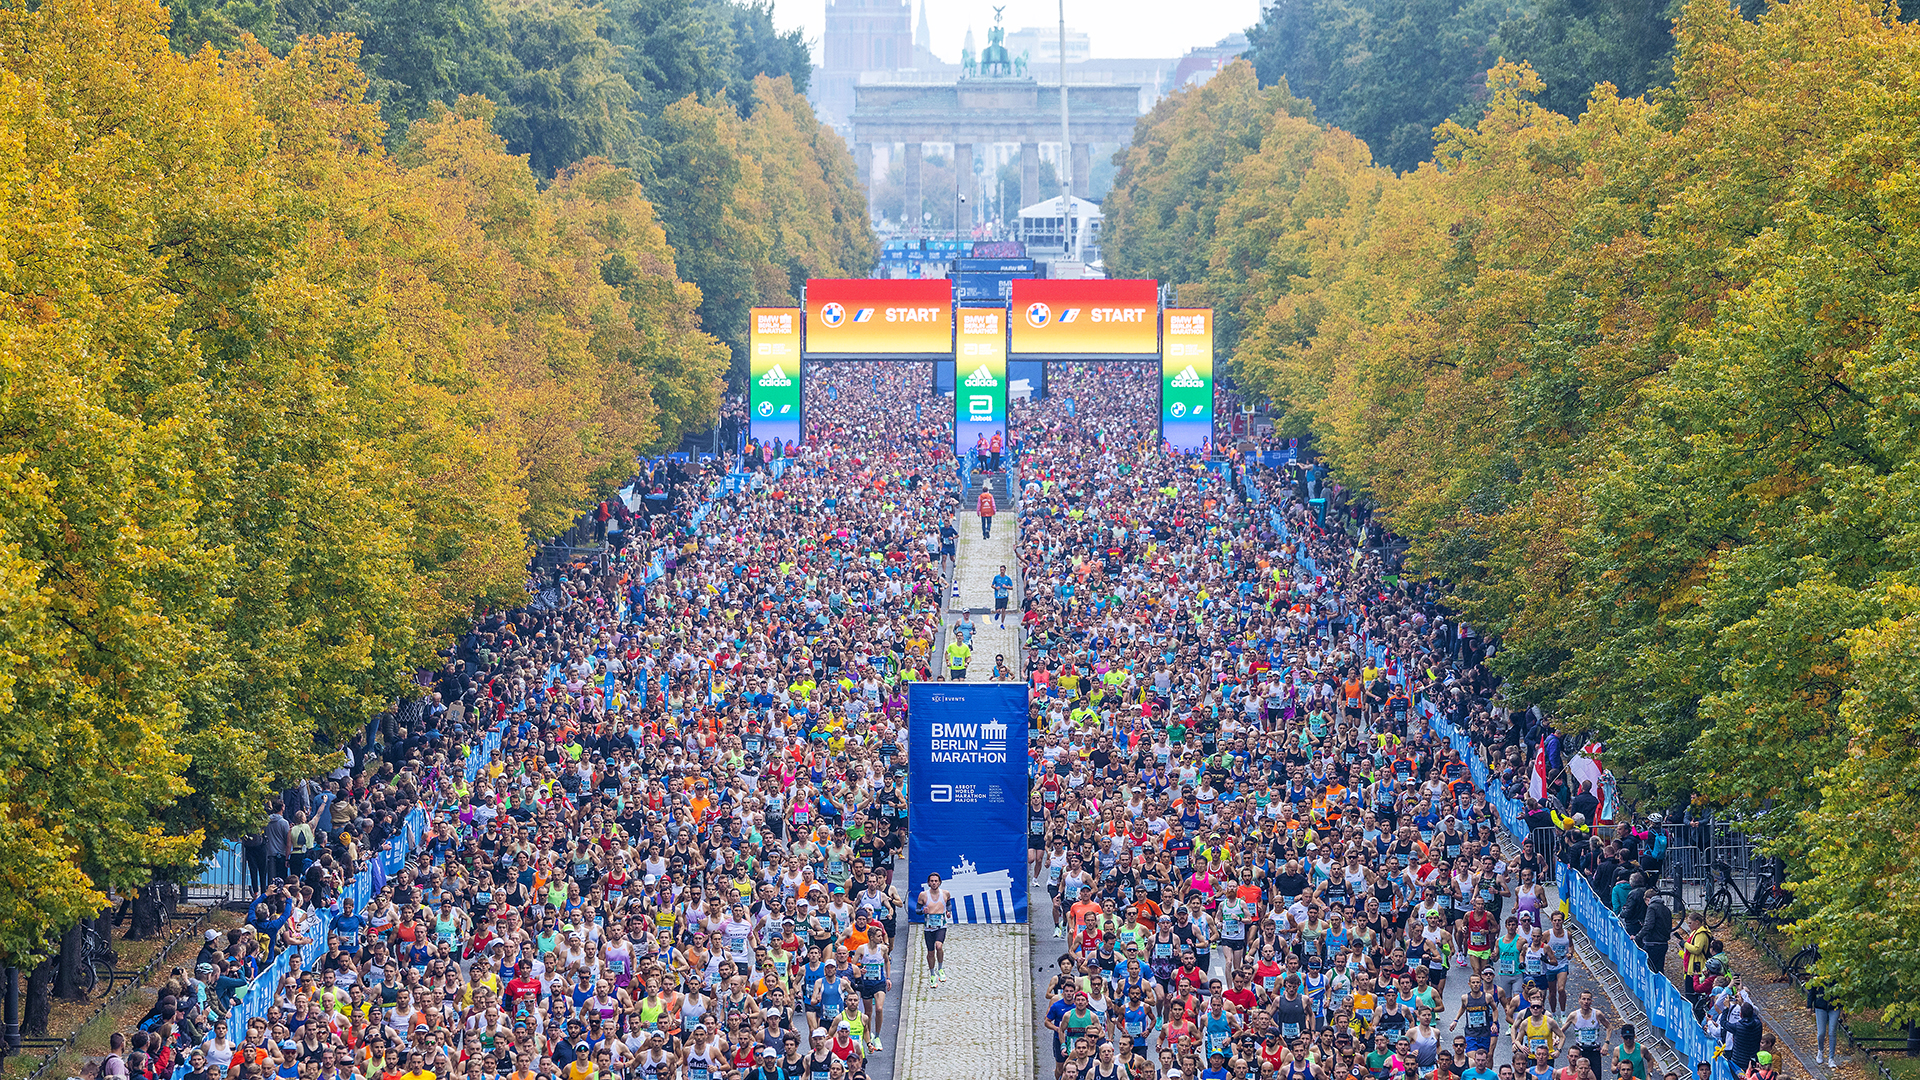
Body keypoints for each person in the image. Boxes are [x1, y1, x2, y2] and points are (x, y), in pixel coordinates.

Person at [920, 872, 953, 986]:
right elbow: (917, 910)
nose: (934, 883)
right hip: (929, 928)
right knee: (930, 952)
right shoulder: (923, 895)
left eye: (936, 881)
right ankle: (932, 974)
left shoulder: (945, 893)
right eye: (932, 881)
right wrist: (922, 911)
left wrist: (948, 912)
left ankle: (940, 968)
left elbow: (948, 904)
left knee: (939, 946)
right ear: (928, 883)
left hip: (941, 926)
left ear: (939, 882)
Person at [1808, 978, 1839, 1068]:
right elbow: (1812, 990)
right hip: (1820, 1006)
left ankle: (1831, 1058)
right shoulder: (1818, 975)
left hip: (1834, 1007)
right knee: (1821, 1033)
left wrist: (1843, 1007)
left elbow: (1843, 992)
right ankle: (1820, 1050)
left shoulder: (1837, 974)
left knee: (1832, 1032)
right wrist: (1809, 1006)